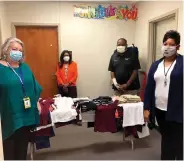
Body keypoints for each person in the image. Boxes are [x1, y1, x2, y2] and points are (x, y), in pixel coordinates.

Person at [0, 37, 42, 160]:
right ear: (6, 50)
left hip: (26, 117)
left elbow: (34, 87)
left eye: (20, 50)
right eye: (14, 49)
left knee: (21, 152)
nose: (17, 52)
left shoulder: (25, 67)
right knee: (8, 153)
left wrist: (37, 102)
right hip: (8, 118)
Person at [144, 30, 183, 160]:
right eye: (165, 43)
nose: (167, 47)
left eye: (171, 44)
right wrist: (146, 108)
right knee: (166, 139)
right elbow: (149, 88)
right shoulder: (156, 65)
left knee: (179, 141)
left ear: (178, 47)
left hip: (178, 110)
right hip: (160, 110)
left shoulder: (182, 64)